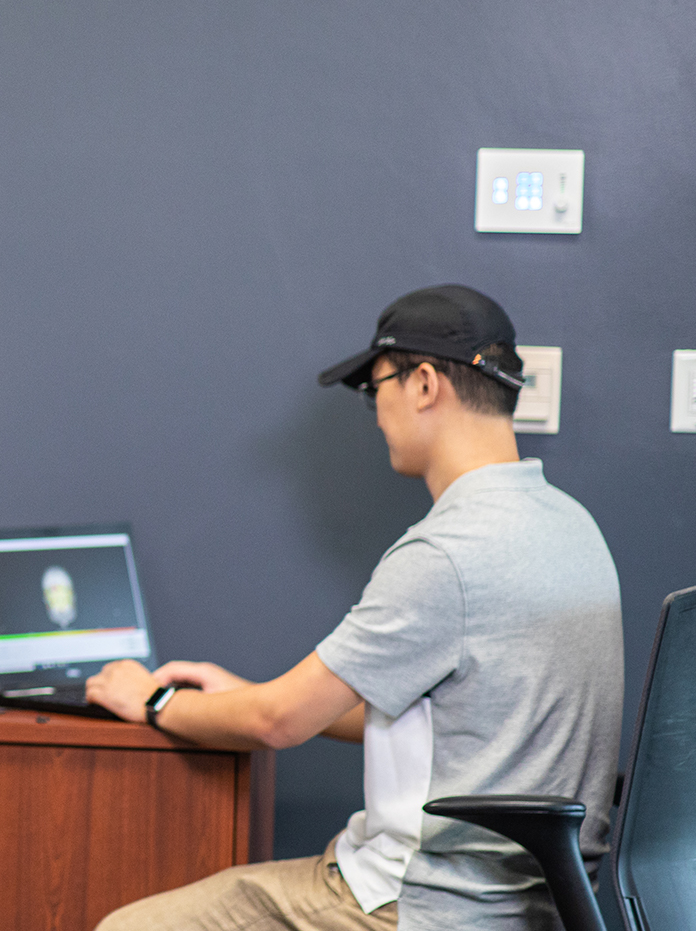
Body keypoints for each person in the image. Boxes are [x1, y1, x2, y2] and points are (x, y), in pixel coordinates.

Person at [84, 285, 622, 930]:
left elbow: (274, 724)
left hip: (422, 904)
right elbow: (443, 717)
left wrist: (149, 700)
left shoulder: (445, 553)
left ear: (424, 384)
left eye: (377, 388)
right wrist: (248, 695)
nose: (376, 415)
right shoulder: (571, 527)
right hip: (540, 907)